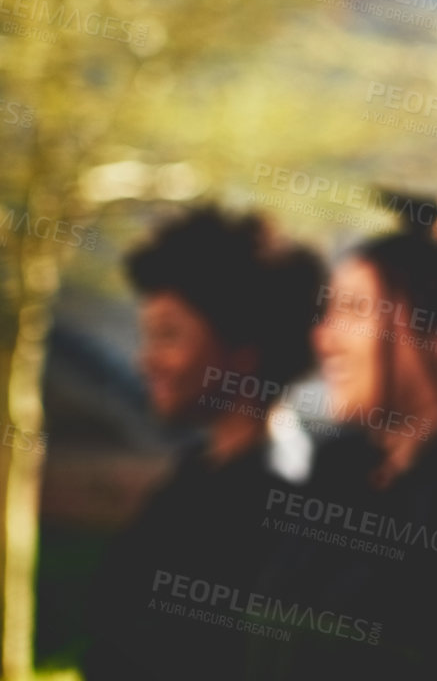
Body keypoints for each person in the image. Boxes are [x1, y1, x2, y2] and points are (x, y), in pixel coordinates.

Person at [245, 227, 437, 681]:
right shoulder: (340, 468)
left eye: (355, 309)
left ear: (436, 332)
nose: (324, 339)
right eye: (328, 312)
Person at [84, 206, 324, 681]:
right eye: (147, 336)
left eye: (169, 336)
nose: (145, 361)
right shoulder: (198, 469)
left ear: (243, 351)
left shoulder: (278, 501)